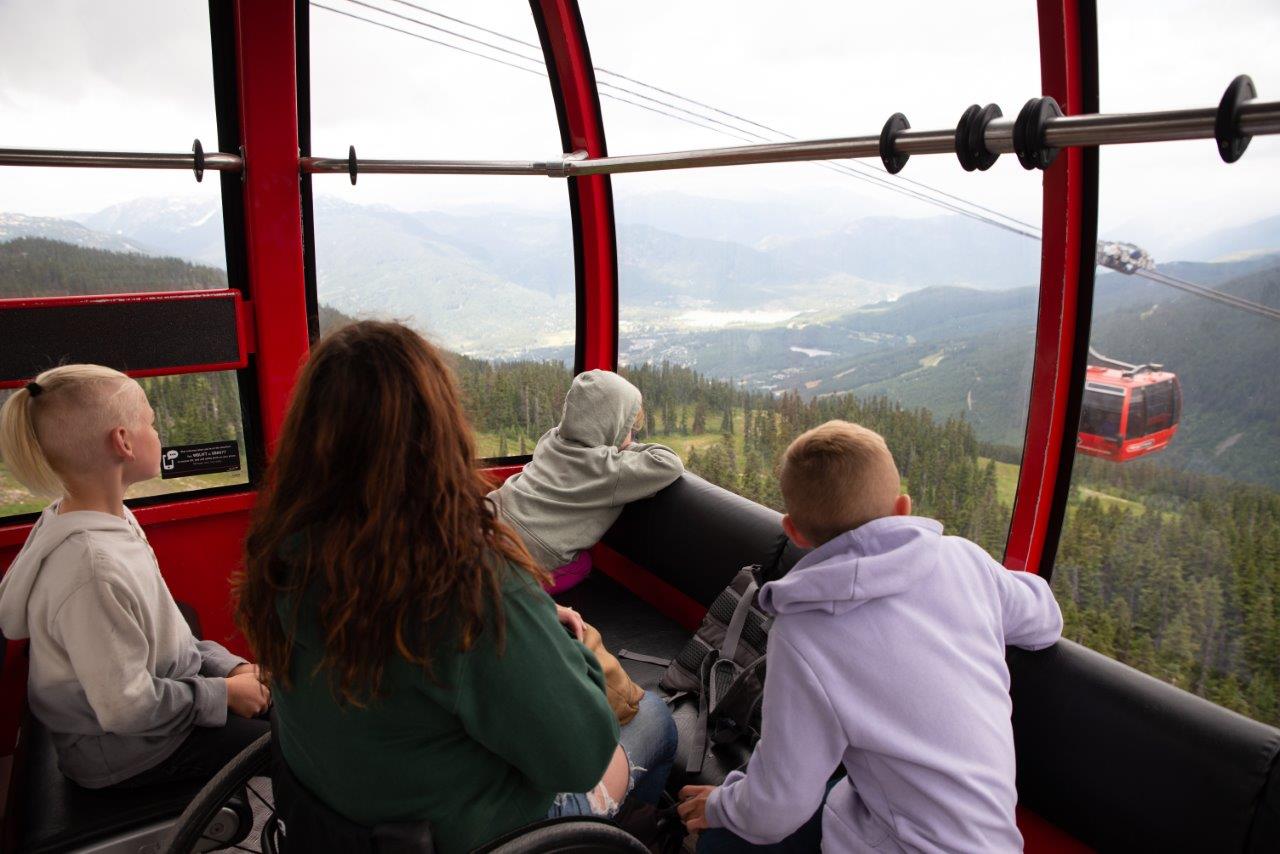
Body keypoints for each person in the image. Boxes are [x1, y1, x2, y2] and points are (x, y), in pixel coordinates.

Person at [235, 321, 676, 854]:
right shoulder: (461, 579)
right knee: (655, 720)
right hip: (472, 835)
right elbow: (581, 753)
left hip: (337, 820)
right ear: (440, 431)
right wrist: (571, 652)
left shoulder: (286, 549)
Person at [678, 420, 1063, 852]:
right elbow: (1045, 620)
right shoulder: (964, 562)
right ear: (903, 508)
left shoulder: (804, 632)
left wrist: (720, 807)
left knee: (718, 845)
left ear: (795, 532)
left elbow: (777, 808)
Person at [0, 365, 269, 790]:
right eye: (150, 422)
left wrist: (231, 667)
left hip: (157, 713)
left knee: (288, 708)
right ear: (122, 442)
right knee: (295, 750)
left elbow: (169, 635)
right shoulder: (91, 569)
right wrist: (224, 695)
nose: (158, 434)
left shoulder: (107, 518)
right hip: (128, 753)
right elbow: (127, 709)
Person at [489, 369, 684, 594]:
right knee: (582, 564)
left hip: (490, 520)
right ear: (611, 427)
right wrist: (626, 449)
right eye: (628, 429)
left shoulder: (552, 438)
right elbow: (669, 462)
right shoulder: (610, 468)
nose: (631, 436)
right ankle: (519, 593)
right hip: (533, 555)